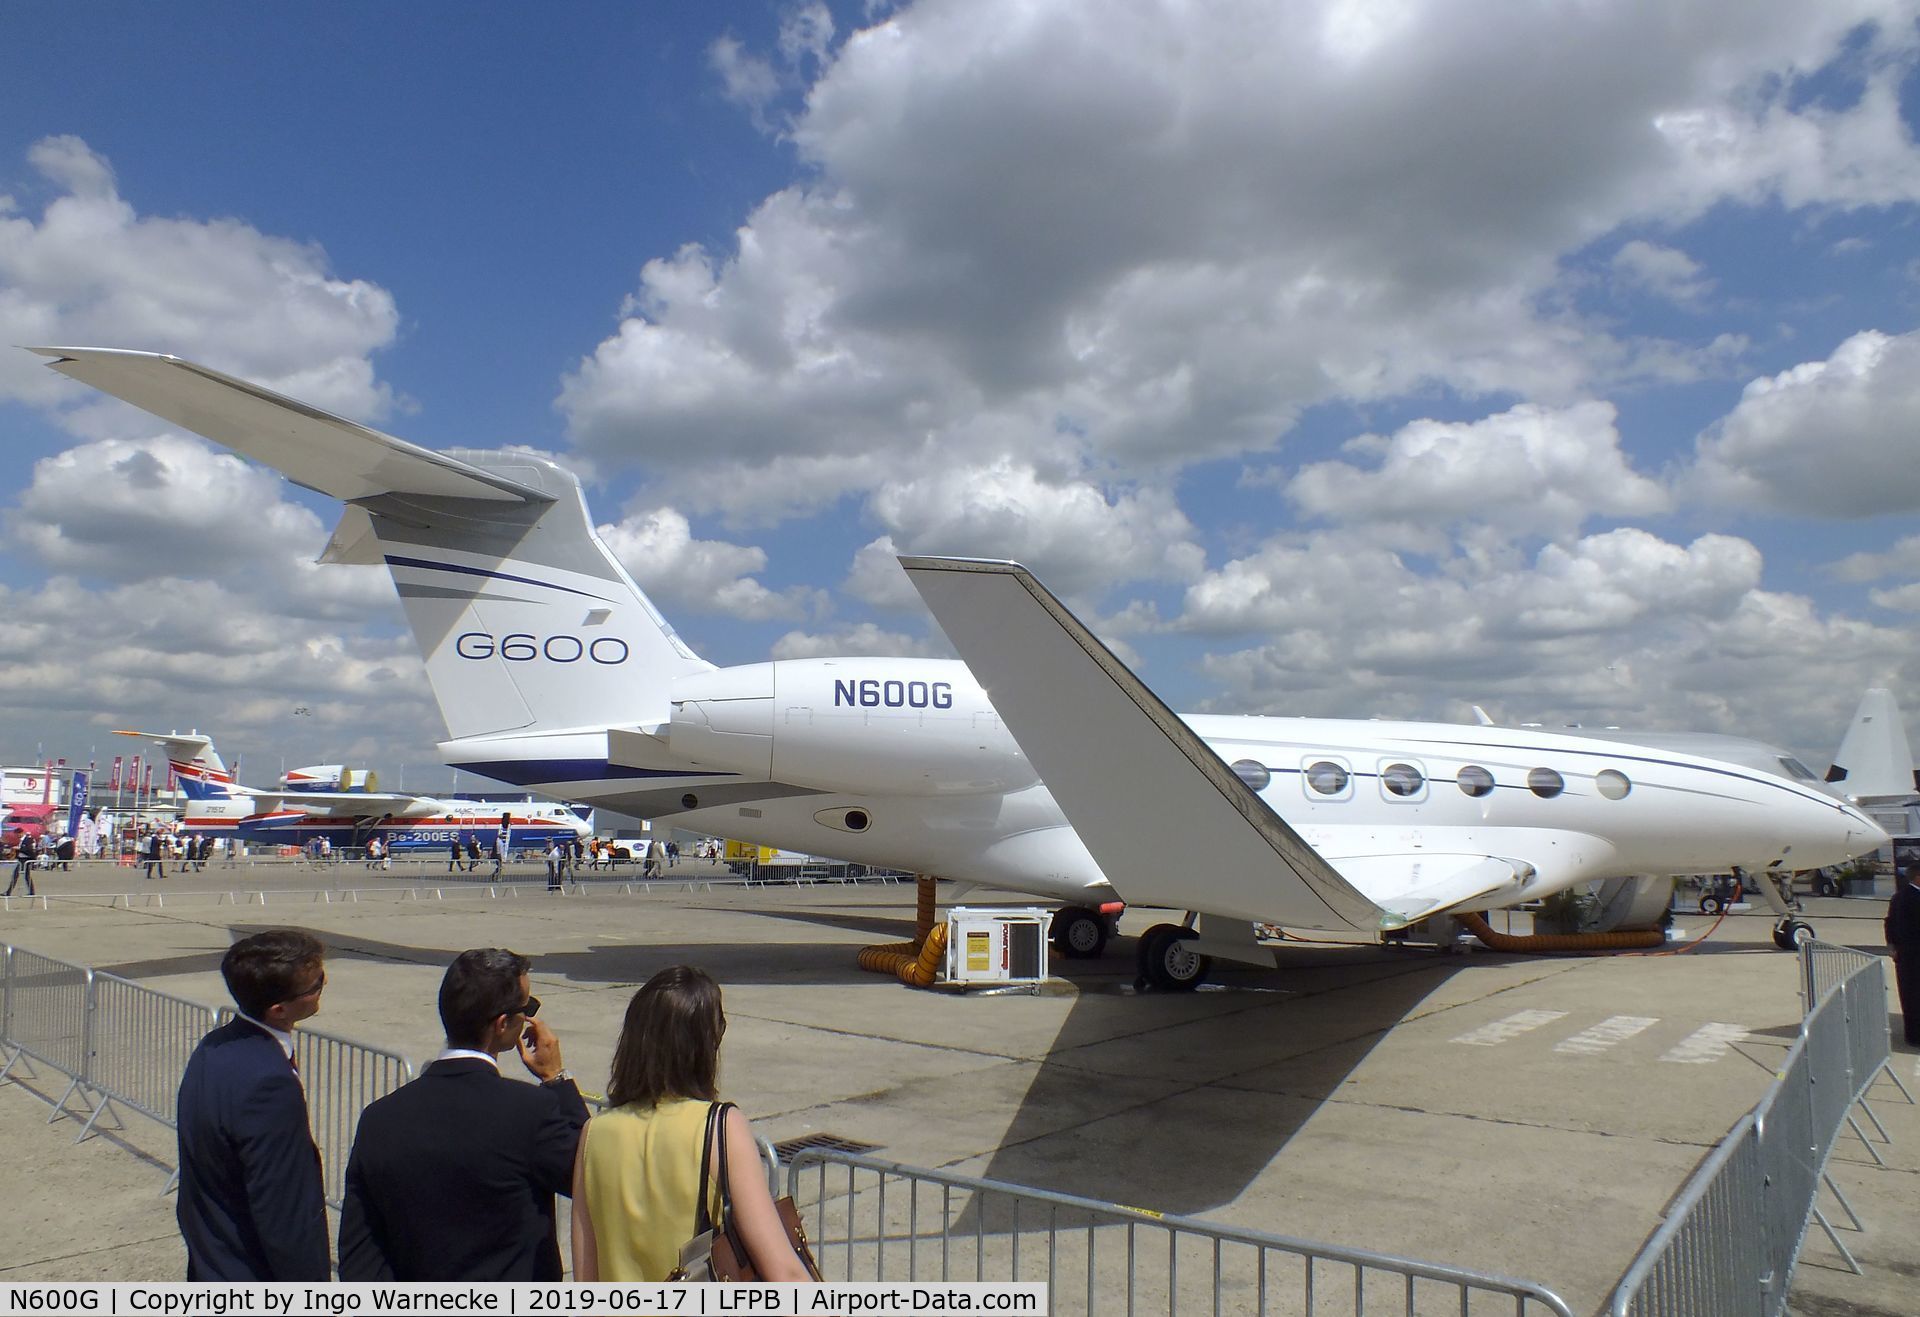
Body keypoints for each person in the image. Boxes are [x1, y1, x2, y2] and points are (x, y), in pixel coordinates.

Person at [338, 948, 588, 1281]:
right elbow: (591, 1174)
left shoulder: (378, 1119)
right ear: (502, 1024)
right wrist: (557, 1079)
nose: (530, 1017)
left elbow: (360, 1253)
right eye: (526, 1008)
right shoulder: (529, 1112)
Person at [572, 966, 810, 1282]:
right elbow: (786, 1273)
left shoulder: (594, 1134)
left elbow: (586, 1281)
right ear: (703, 1046)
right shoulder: (720, 1127)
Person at [176, 930, 331, 1281]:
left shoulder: (213, 1048)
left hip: (212, 1261)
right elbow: (284, 1215)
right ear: (279, 1009)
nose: (324, 986)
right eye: (316, 984)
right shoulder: (269, 1084)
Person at [1887, 866, 1920, 1047]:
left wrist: (1891, 945)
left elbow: (1889, 923)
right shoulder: (1912, 898)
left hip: (1904, 955)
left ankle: (1912, 1034)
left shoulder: (1898, 896)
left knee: (1909, 996)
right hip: (1914, 954)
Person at [5, 829, 37, 896]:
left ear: (21, 833)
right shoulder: (21, 840)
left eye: (17, 834)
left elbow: (29, 850)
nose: (16, 836)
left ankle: (8, 892)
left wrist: (19, 848)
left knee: (16, 875)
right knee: (26, 876)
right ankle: (32, 892)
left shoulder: (28, 840)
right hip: (21, 859)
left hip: (25, 860)